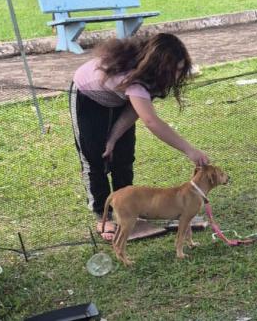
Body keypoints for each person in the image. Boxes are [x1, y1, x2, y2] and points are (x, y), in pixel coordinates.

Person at [70, 33, 210, 240]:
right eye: (176, 69)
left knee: (123, 158)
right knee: (95, 158)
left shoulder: (152, 75)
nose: (177, 74)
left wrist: (114, 137)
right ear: (161, 64)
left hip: (119, 99)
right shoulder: (134, 78)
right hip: (88, 97)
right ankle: (104, 216)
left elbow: (134, 110)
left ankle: (126, 209)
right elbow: (151, 121)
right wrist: (190, 150)